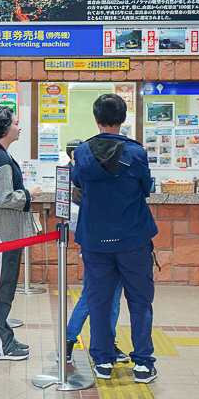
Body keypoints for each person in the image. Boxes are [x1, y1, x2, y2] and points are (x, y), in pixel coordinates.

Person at [71, 94, 159, 383]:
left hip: (95, 241)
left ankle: (103, 362)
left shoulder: (82, 153)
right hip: (133, 239)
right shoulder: (136, 153)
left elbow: (79, 185)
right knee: (140, 302)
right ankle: (143, 364)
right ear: (123, 119)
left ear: (96, 119)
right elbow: (146, 188)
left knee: (98, 301)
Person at [0, 105, 41, 360]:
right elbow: (5, 198)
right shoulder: (0, 157)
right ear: (3, 128)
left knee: (4, 286)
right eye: (15, 122)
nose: (19, 126)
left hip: (4, 232)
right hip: (4, 234)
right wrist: (29, 193)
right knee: (0, 288)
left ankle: (4, 338)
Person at [62, 138, 128, 366]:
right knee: (91, 298)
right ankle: (68, 340)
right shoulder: (80, 186)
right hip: (96, 251)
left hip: (118, 247)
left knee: (114, 301)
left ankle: (109, 343)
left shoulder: (102, 181)